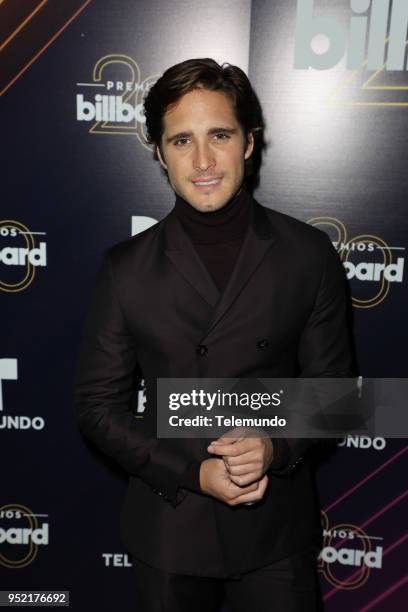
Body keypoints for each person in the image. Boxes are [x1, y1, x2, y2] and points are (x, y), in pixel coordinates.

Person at [74, 58, 352, 611]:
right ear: (159, 153)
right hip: (171, 529)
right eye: (181, 141)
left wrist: (274, 447)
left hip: (276, 532)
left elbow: (337, 393)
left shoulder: (308, 254)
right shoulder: (126, 268)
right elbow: (96, 407)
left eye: (219, 135)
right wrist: (193, 473)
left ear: (249, 142)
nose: (202, 161)